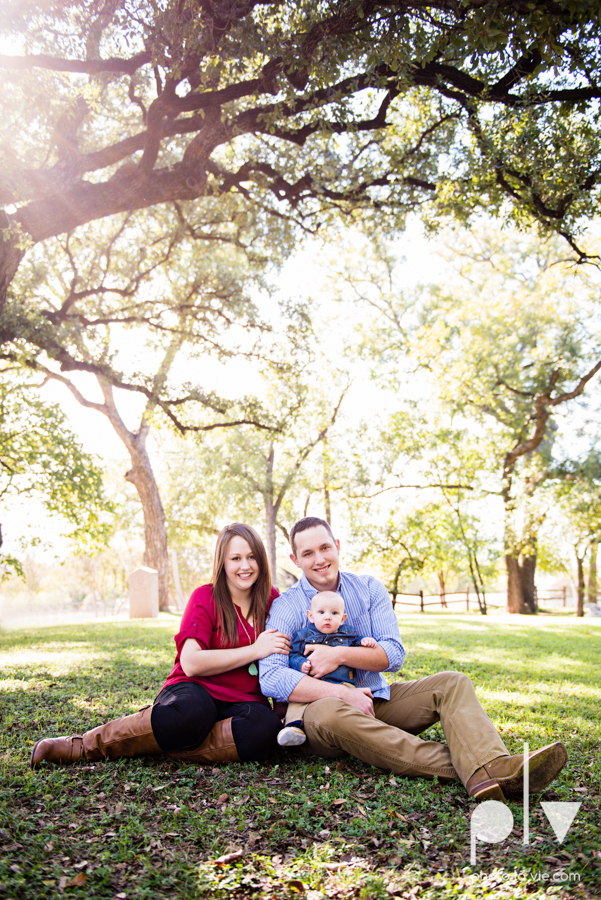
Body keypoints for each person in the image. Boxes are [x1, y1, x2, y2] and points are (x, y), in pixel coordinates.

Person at [260, 516, 568, 803]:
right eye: (308, 553)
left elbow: (393, 654)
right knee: (329, 712)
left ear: (337, 546)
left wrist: (338, 654)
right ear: (295, 560)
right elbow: (271, 676)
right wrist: (342, 693)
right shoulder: (287, 606)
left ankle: (487, 768)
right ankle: (483, 768)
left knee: (451, 683)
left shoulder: (369, 590)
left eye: (325, 547)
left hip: (374, 701)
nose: (320, 559)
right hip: (321, 713)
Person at [31, 523, 289, 768]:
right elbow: (191, 663)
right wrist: (255, 650)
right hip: (194, 690)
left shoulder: (272, 599)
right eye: (236, 558)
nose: (245, 566)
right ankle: (84, 745)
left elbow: (283, 652)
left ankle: (164, 743)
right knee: (193, 714)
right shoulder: (205, 597)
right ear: (222, 562)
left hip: (245, 699)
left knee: (265, 729)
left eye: (252, 557)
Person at [278, 591, 377, 747]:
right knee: (296, 703)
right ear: (310, 616)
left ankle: (361, 726)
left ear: (343, 618)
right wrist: (300, 664)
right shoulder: (303, 636)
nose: (328, 617)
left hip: (342, 684)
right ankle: (293, 728)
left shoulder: (348, 634)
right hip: (311, 685)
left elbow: (358, 645)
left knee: (349, 704)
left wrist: (366, 640)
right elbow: (293, 656)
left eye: (334, 613)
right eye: (321, 612)